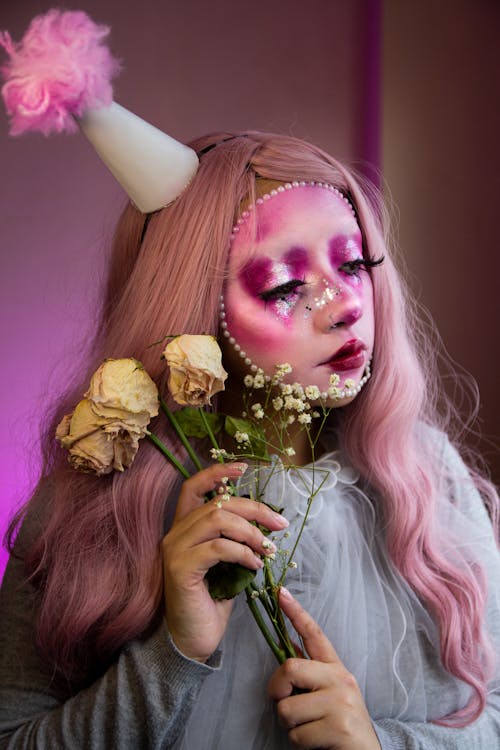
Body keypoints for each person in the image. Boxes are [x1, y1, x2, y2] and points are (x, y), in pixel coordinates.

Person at [1, 126, 500, 749]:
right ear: (195, 310)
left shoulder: (428, 474)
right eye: (285, 287)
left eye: (354, 264)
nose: (344, 304)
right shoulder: (94, 503)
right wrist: (173, 651)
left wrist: (380, 744)